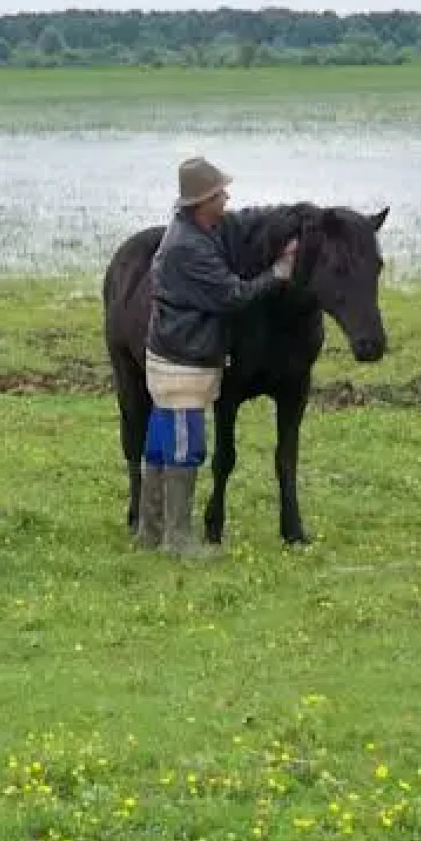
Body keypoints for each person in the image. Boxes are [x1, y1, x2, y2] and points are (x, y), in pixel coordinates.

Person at [140, 155, 299, 557]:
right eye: (220, 194)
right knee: (185, 448)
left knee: (160, 446)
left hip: (169, 359)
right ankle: (178, 540)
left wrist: (289, 216)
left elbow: (242, 221)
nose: (227, 199)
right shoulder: (190, 248)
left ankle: (150, 532)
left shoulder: (196, 230)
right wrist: (277, 273)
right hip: (182, 365)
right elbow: (232, 295)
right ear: (202, 202)